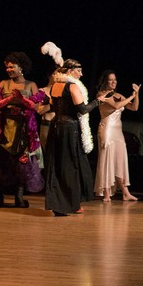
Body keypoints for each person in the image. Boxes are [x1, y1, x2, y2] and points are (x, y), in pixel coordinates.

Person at [0, 52, 45, 208]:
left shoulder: (30, 85)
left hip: (22, 130)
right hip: (4, 129)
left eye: (12, 66)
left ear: (21, 67)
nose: (9, 69)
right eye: (7, 66)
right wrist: (10, 99)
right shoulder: (2, 84)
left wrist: (22, 99)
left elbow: (36, 107)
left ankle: (19, 197)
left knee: (21, 165)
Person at [43, 58, 102, 216]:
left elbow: (53, 105)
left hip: (56, 128)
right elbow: (82, 110)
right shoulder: (72, 86)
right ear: (69, 71)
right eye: (79, 70)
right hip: (70, 130)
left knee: (58, 166)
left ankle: (60, 204)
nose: (81, 74)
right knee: (71, 166)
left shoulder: (55, 85)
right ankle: (72, 204)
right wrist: (98, 101)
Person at [94, 70, 141, 202]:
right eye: (111, 80)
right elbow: (116, 106)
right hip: (107, 129)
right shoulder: (102, 94)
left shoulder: (118, 95)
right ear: (105, 81)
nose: (114, 82)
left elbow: (134, 108)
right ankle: (107, 193)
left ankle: (125, 192)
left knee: (120, 160)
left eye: (115, 80)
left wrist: (136, 95)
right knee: (107, 159)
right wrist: (131, 97)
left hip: (117, 131)